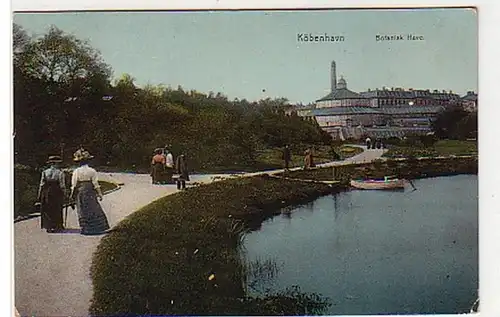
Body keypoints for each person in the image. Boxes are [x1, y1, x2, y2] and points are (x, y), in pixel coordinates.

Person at [70, 149, 110, 235]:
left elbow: (74, 185)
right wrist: (99, 194)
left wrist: (71, 196)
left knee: (82, 209)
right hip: (90, 191)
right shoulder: (92, 171)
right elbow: (95, 184)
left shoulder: (76, 171)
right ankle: (96, 228)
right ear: (88, 161)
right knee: (93, 208)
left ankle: (86, 228)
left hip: (80, 191)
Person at [37, 155, 67, 233]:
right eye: (58, 163)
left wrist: (39, 195)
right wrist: (65, 194)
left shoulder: (45, 172)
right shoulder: (60, 173)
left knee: (47, 208)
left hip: (46, 191)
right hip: (56, 191)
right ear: (55, 164)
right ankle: (57, 225)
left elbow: (41, 184)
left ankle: (49, 226)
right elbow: (62, 185)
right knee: (57, 208)